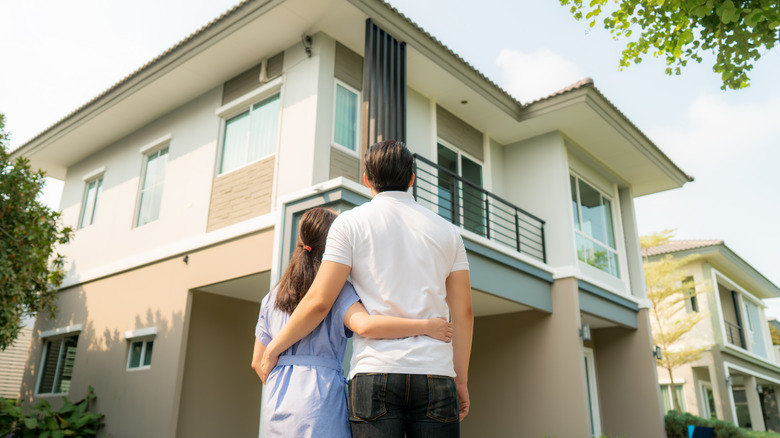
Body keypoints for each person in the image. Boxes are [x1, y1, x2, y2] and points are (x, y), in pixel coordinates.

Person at [259, 140, 473, 437]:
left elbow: (320, 301)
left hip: (375, 374)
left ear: (366, 179)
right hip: (435, 373)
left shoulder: (349, 224)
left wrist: (274, 348)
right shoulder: (449, 232)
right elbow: (464, 312)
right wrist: (459, 380)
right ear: (412, 179)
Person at [251, 207, 454, 438]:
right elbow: (365, 325)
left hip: (277, 399)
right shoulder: (336, 291)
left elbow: (258, 362)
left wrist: (285, 381)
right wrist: (426, 326)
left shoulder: (272, 296)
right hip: (320, 399)